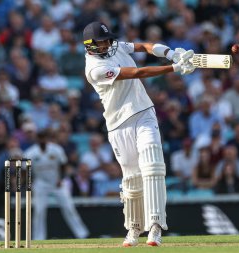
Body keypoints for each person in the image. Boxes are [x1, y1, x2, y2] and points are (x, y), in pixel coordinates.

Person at [83, 21, 195, 247]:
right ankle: (134, 229)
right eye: (102, 42)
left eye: (108, 40)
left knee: (153, 166)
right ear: (90, 45)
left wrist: (171, 53)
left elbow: (144, 47)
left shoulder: (117, 46)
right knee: (132, 178)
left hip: (144, 113)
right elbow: (136, 72)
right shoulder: (94, 69)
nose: (107, 45)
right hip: (118, 124)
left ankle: (155, 227)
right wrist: (174, 68)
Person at [23, 130, 89, 240]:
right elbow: (25, 170)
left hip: (57, 182)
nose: (42, 140)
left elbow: (63, 165)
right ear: (37, 139)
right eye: (40, 138)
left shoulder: (56, 149)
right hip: (41, 183)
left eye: (44, 138)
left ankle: (82, 234)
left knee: (68, 207)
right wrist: (30, 183)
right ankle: (38, 238)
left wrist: (61, 178)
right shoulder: (31, 153)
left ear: (47, 138)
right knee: (39, 211)